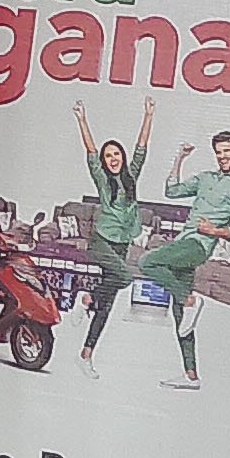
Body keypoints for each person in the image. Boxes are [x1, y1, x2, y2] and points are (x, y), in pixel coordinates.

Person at [150, 127, 230, 388]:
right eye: (218, 152)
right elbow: (172, 191)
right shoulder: (205, 178)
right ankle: (191, 376)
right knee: (179, 314)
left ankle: (190, 300)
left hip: (198, 245)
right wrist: (179, 158)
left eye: (227, 151)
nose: (223, 156)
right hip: (183, 241)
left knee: (147, 262)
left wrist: (214, 230)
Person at [69, 95, 151, 372]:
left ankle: (86, 355)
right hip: (101, 241)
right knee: (125, 277)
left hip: (121, 245)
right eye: (109, 156)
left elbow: (141, 149)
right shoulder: (103, 180)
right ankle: (87, 299)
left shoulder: (130, 177)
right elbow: (91, 152)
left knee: (108, 303)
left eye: (116, 154)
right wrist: (82, 120)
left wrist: (148, 116)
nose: (113, 159)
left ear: (122, 157)